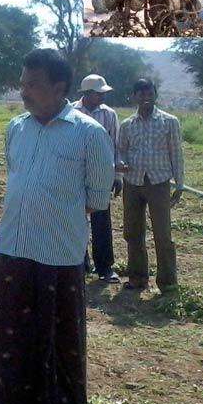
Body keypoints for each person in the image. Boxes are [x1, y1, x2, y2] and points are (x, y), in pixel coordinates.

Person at [0, 49, 114, 404]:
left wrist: (52, 215)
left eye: (32, 84)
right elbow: (15, 177)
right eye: (22, 84)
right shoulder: (15, 129)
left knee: (54, 337)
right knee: (8, 340)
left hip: (58, 255)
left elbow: (97, 200)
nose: (24, 92)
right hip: (9, 249)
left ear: (60, 88)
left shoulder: (89, 135)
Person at [117, 78, 184, 293]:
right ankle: (137, 278)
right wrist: (121, 163)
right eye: (141, 94)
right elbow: (121, 150)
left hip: (159, 183)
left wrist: (180, 184)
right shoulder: (127, 124)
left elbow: (176, 153)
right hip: (133, 182)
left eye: (149, 94)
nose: (145, 98)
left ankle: (167, 283)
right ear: (135, 97)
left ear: (155, 95)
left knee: (162, 234)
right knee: (132, 232)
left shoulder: (169, 122)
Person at [73, 74, 123, 283]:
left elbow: (116, 146)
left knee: (101, 219)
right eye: (98, 93)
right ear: (87, 94)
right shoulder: (71, 112)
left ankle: (105, 267)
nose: (102, 97)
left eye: (103, 93)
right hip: (75, 173)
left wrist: (117, 176)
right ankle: (79, 261)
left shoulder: (109, 115)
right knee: (75, 218)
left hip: (101, 174)